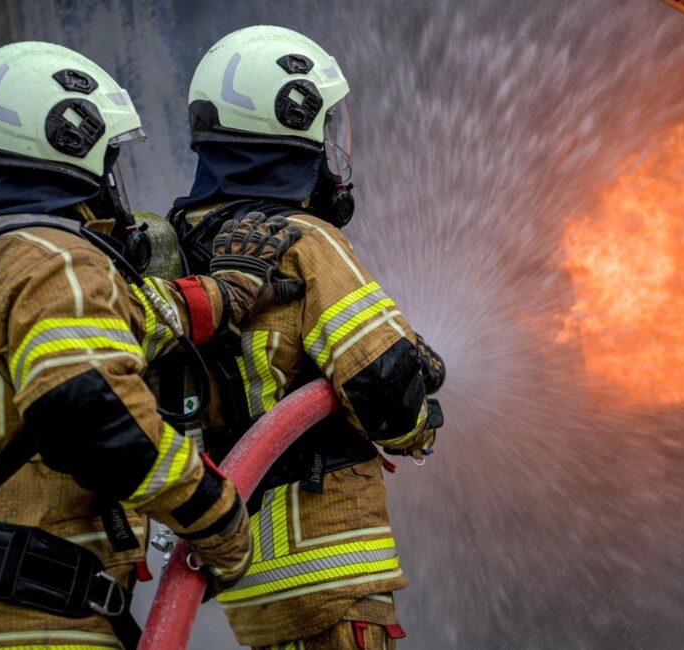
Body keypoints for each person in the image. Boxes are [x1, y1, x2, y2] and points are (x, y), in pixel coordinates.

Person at [0, 41, 303, 649]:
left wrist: (223, 294)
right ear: (68, 142)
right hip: (35, 623)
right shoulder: (55, 258)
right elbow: (91, 407)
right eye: (110, 158)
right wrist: (215, 511)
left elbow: (124, 320)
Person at [167, 25, 446, 650]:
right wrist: (424, 419)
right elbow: (388, 390)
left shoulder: (187, 247)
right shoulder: (302, 239)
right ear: (292, 128)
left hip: (251, 575)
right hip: (329, 566)